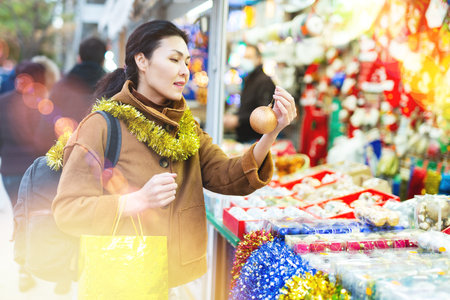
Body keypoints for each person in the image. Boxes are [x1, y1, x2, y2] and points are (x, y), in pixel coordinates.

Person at [50, 20, 296, 295]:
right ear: (141, 61)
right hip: (120, 279)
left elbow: (228, 176)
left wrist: (270, 136)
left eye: (187, 61)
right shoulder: (101, 125)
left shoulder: (186, 127)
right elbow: (67, 211)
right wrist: (134, 201)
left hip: (178, 278)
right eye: (173, 59)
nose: (184, 71)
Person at [0, 61, 49, 292]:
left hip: (10, 170)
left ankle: (24, 270)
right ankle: (38, 264)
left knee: (21, 219)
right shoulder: (43, 105)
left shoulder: (3, 102)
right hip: (37, 171)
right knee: (38, 218)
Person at [35, 37, 106, 152]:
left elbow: (44, 131)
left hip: (62, 157)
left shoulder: (61, 87)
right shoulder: (110, 88)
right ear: (103, 60)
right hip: (99, 160)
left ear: (79, 58)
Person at [224, 44, 276, 143]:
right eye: (244, 57)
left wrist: (238, 120)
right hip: (244, 137)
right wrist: (234, 116)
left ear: (259, 59)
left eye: (249, 57)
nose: (245, 60)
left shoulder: (265, 81)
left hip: (256, 139)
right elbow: (247, 107)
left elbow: (264, 113)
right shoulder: (248, 79)